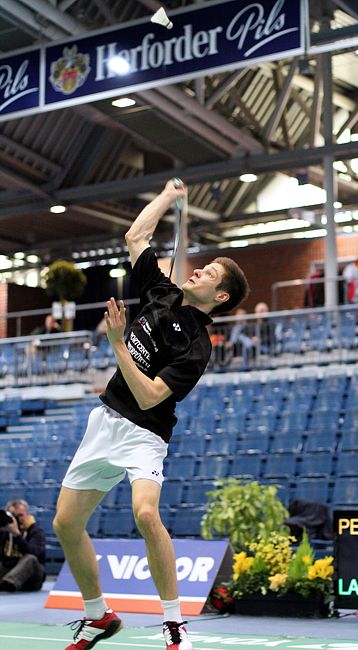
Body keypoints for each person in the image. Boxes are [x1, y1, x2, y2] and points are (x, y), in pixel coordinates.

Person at [53, 179, 250, 650]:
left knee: (145, 513)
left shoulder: (197, 347)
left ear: (219, 298)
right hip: (105, 422)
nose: (198, 272)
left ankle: (173, 621)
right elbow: (136, 238)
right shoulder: (161, 292)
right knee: (64, 524)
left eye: (208, 274)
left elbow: (148, 399)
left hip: (144, 433)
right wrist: (167, 196)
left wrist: (119, 344)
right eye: (201, 267)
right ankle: (99, 616)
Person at [0, 499, 46, 592]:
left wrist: (17, 535)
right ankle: (6, 583)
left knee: (30, 558)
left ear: (28, 515)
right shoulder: (5, 531)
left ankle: (7, 583)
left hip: (33, 576)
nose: (18, 519)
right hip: (10, 569)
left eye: (20, 515)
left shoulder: (36, 531)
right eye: (14, 516)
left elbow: (34, 552)